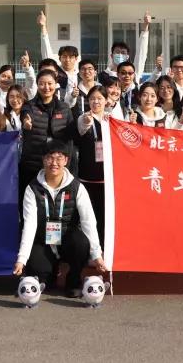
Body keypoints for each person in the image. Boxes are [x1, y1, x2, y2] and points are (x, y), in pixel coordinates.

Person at [13, 141, 106, 297]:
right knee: (43, 280)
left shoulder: (77, 187)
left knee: (81, 244)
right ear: (43, 160)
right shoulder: (32, 188)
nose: (54, 163)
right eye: (50, 158)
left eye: (59, 158)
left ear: (66, 160)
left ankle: (73, 279)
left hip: (67, 237)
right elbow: (30, 224)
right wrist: (21, 259)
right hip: (43, 239)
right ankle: (49, 272)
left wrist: (96, 255)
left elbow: (88, 221)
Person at [19, 70, 74, 193]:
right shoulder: (29, 106)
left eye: (50, 83)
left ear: (55, 84)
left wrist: (67, 162)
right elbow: (25, 116)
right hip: (33, 165)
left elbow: (69, 140)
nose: (46, 87)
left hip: (56, 166)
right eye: (42, 83)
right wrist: (26, 123)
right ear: (37, 85)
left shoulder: (64, 108)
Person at [73, 87, 110, 245]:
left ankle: (104, 246)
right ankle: (90, 247)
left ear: (106, 101)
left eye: (99, 98)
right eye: (92, 99)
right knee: (89, 215)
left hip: (107, 177)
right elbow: (82, 129)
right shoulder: (84, 117)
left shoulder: (111, 119)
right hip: (87, 176)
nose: (96, 102)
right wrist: (87, 123)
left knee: (104, 215)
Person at [98, 12, 152, 87]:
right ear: (111, 56)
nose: (120, 54)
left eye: (123, 53)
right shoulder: (102, 76)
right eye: (117, 52)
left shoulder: (133, 72)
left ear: (127, 57)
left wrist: (145, 28)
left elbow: (141, 54)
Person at [38, 10, 80, 90]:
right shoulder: (56, 72)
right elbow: (46, 48)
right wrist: (43, 26)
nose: (67, 60)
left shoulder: (81, 74)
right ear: (60, 58)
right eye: (64, 56)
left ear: (76, 59)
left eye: (71, 57)